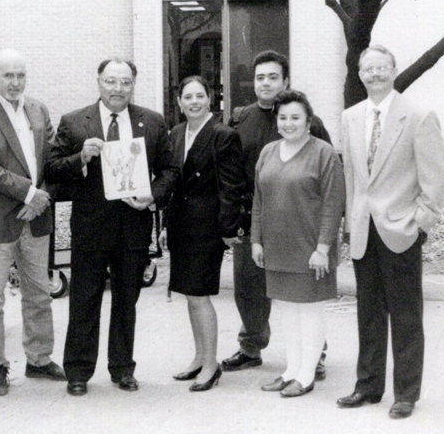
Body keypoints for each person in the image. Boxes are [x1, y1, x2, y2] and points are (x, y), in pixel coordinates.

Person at [45, 58, 178, 396]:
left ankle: (122, 368)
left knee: (126, 301)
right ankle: (78, 371)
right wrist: (81, 158)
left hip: (133, 225)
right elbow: (53, 168)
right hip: (90, 227)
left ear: (134, 85)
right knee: (84, 299)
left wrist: (152, 196)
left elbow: (170, 170)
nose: (118, 89)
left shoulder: (152, 121)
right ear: (99, 82)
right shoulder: (74, 122)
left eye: (125, 82)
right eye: (111, 81)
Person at [336, 45, 444, 419]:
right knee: (367, 311)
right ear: (360, 74)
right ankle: (368, 386)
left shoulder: (418, 116)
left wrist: (420, 222)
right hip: (364, 230)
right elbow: (352, 176)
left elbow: (436, 177)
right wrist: (350, 222)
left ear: (394, 70)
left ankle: (406, 393)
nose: (376, 74)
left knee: (405, 313)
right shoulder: (350, 117)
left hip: (401, 228)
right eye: (368, 69)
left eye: (382, 67)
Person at [0, 49, 66, 397]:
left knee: (39, 294)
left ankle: (38, 359)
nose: (15, 82)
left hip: (35, 219)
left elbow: (52, 161)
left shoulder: (38, 109)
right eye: (8, 75)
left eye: (21, 75)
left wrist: (41, 198)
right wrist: (28, 194)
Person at [222, 51, 332, 378]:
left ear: (286, 81)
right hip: (252, 219)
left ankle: (316, 354)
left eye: (273, 77)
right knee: (248, 288)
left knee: (302, 293)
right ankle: (251, 346)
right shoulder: (240, 119)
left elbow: (325, 177)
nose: (266, 83)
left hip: (299, 224)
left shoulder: (310, 123)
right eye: (260, 77)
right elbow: (229, 171)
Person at [250, 90, 345, 398]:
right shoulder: (267, 152)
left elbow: (333, 203)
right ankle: (291, 370)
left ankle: (306, 376)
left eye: (295, 117)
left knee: (310, 312)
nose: (288, 124)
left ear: (308, 121)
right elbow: (258, 200)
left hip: (311, 250)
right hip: (277, 248)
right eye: (283, 117)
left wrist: (323, 248)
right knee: (288, 311)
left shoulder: (324, 153)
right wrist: (256, 240)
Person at [159, 76, 245, 392]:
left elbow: (231, 186)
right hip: (182, 224)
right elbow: (173, 184)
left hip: (208, 227)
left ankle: (211, 365)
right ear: (179, 102)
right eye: (187, 97)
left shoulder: (224, 135)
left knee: (200, 294)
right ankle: (199, 357)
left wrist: (227, 229)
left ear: (210, 99)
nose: (194, 102)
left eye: (199, 96)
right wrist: (167, 226)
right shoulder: (177, 133)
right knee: (190, 295)